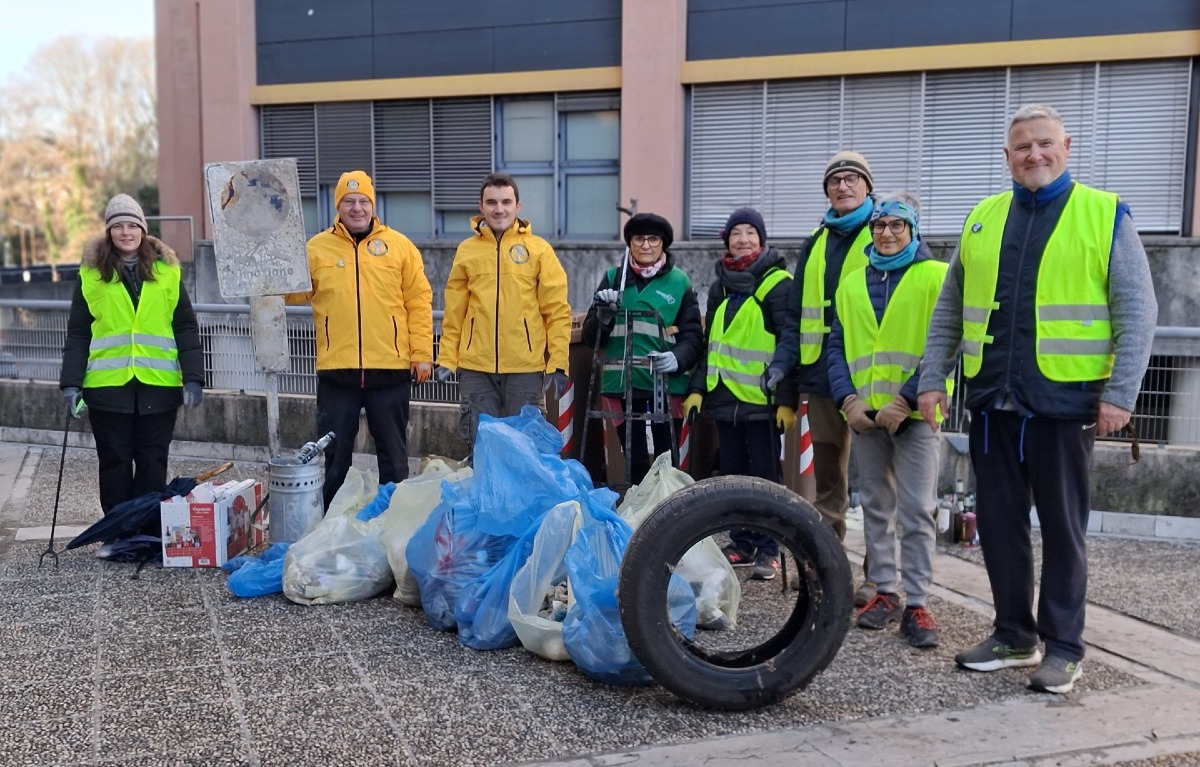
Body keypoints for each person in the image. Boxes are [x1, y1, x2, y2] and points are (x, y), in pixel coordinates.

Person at [917, 104, 1156, 693]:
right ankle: (1013, 635)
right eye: (1022, 146)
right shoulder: (983, 218)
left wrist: (1121, 393)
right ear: (1007, 156)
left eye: (1045, 143)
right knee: (998, 525)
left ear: (1066, 146)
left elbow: (1138, 310)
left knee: (1063, 528)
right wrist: (931, 378)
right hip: (993, 402)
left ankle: (1065, 646)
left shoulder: (1104, 215)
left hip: (1066, 403)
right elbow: (950, 307)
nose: (1034, 155)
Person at [827, 193, 949, 647]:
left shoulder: (936, 277)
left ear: (913, 229)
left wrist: (909, 398)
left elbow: (946, 342)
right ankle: (884, 591)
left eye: (898, 225)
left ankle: (917, 601)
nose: (887, 233)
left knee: (917, 509)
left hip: (915, 415)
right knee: (875, 507)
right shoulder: (852, 283)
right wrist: (848, 401)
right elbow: (837, 347)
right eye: (880, 225)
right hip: (867, 415)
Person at [60, 193, 204, 559]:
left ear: (143, 229)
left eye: (132, 225)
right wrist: (70, 383)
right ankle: (118, 532)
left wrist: (193, 377)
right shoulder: (92, 275)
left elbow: (184, 326)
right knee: (115, 462)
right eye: (118, 225)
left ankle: (148, 531)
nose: (126, 232)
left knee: (153, 462)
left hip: (158, 385)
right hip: (109, 388)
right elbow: (79, 332)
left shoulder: (167, 271)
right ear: (109, 232)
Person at [766, 151, 879, 606]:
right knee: (829, 480)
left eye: (852, 179)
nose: (843, 186)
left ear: (868, 187)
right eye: (835, 180)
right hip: (820, 376)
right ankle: (827, 569)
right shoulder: (816, 242)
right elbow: (796, 316)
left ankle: (880, 579)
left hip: (872, 378)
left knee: (877, 482)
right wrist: (784, 370)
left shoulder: (886, 232)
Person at [287, 170, 434, 508]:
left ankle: (393, 522)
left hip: (390, 370)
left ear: (373, 204)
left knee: (394, 458)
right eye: (349, 201)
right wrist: (264, 278)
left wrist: (421, 354)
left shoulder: (399, 247)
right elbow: (293, 292)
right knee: (335, 458)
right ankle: (330, 525)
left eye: (363, 201)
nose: (356, 208)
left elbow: (419, 302)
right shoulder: (317, 248)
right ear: (338, 206)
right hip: (338, 372)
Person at [685, 207, 797, 581]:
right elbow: (712, 343)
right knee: (731, 474)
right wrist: (698, 389)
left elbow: (789, 340)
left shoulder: (778, 283)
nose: (743, 239)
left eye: (750, 232)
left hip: (762, 400)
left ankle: (769, 548)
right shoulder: (720, 286)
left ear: (762, 239)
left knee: (766, 477)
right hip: (725, 399)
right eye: (736, 233)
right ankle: (741, 541)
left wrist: (785, 396)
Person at [436, 172, 572, 450]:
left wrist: (557, 362)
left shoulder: (539, 250)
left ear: (517, 206)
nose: (499, 209)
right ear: (481, 206)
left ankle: (520, 495)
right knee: (481, 442)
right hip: (476, 368)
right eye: (492, 202)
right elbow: (455, 313)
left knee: (522, 446)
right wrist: (447, 358)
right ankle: (484, 494)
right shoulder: (467, 251)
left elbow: (556, 312)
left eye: (506, 202)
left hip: (525, 367)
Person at [581, 213, 703, 486]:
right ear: (630, 243)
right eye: (639, 239)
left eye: (653, 239)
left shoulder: (679, 282)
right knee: (632, 460)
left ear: (664, 244)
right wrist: (604, 316)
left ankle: (663, 516)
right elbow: (592, 338)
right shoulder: (614, 278)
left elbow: (693, 335)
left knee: (665, 459)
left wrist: (677, 358)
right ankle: (636, 516)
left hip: (665, 385)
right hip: (621, 384)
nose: (646, 245)